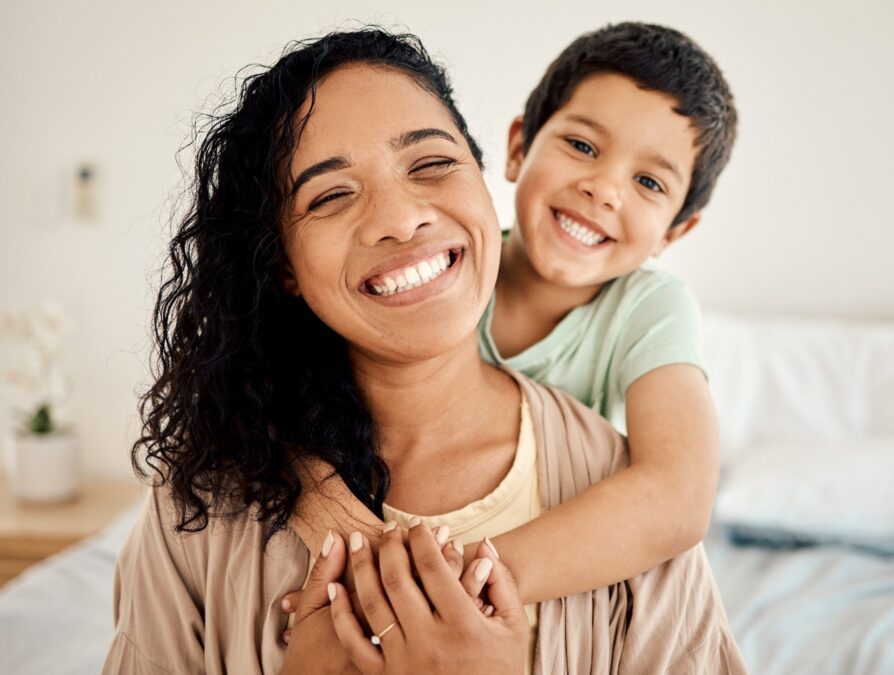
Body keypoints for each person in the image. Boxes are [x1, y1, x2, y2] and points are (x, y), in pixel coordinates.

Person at [105, 26, 745, 674]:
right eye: (330, 194)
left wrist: (461, 584)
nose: (403, 219)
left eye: (431, 164)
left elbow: (676, 493)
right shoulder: (203, 499)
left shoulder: (626, 484)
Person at [285, 22, 738, 608]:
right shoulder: (443, 268)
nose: (603, 189)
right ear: (520, 146)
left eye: (648, 181)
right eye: (582, 146)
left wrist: (459, 586)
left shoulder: (650, 309)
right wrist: (346, 543)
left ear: (676, 230)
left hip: (537, 564)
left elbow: (677, 495)